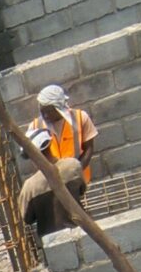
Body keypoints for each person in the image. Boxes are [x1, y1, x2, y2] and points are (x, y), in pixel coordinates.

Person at [20, 84, 97, 235]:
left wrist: (74, 172)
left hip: (78, 181)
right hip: (50, 185)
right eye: (43, 110)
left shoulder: (80, 118)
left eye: (50, 110)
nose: (46, 115)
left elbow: (89, 148)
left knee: (77, 216)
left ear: (60, 108)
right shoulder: (35, 127)